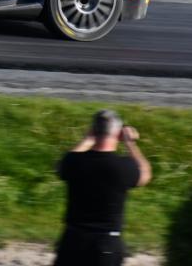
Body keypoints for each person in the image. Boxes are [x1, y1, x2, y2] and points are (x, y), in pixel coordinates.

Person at [53, 109, 152, 266]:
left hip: (73, 239)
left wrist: (87, 140)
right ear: (117, 134)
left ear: (93, 131)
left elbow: (59, 167)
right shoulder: (124, 167)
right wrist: (130, 143)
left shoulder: (73, 162)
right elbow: (145, 174)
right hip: (106, 243)